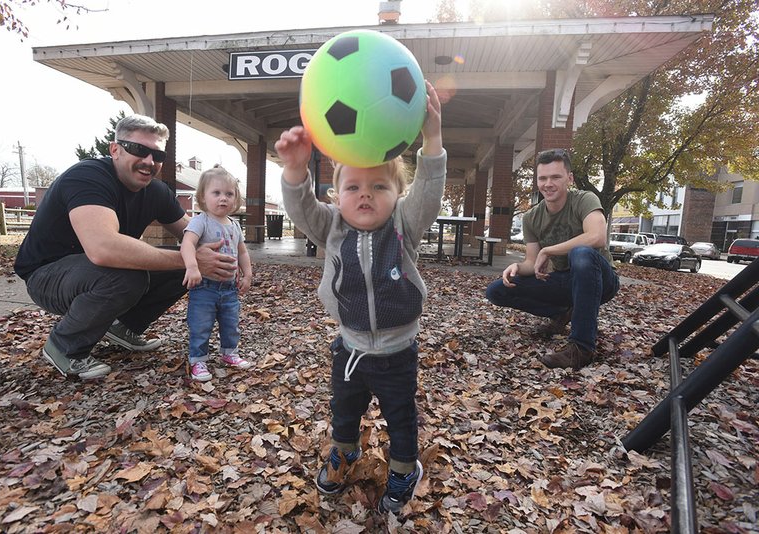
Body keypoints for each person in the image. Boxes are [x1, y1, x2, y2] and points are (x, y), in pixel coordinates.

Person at [275, 81, 445, 515]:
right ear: (337, 196)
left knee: (401, 417)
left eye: (379, 187)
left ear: (397, 197)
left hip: (397, 353)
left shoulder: (404, 226)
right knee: (344, 411)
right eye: (353, 187)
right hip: (348, 350)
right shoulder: (331, 228)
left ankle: (405, 468)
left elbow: (428, 189)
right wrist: (295, 170)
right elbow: (301, 209)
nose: (365, 194)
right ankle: (344, 452)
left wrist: (433, 138)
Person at [14, 114, 237, 380]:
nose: (148, 161)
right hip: (48, 275)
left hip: (97, 271)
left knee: (182, 266)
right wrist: (192, 260)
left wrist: (228, 255)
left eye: (157, 155)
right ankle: (65, 346)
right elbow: (103, 249)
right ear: (115, 149)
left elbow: (195, 235)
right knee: (133, 274)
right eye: (138, 150)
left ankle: (124, 327)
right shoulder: (88, 177)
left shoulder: (156, 192)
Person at [485, 148, 620, 370]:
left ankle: (581, 347)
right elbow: (531, 262)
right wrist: (516, 267)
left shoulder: (584, 199)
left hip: (600, 279)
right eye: (543, 178)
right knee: (496, 290)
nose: (548, 183)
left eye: (556, 177)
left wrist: (548, 251)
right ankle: (561, 313)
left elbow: (597, 237)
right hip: (565, 281)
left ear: (569, 178)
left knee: (581, 253)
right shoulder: (532, 217)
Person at [181, 167, 253, 381]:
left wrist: (247, 274)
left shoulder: (235, 225)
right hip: (205, 287)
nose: (223, 199)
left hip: (229, 288)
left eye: (229, 194)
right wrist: (192, 266)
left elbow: (242, 251)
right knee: (200, 324)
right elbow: (187, 244)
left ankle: (229, 353)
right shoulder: (200, 221)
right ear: (203, 196)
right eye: (217, 193)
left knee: (231, 323)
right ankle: (198, 360)